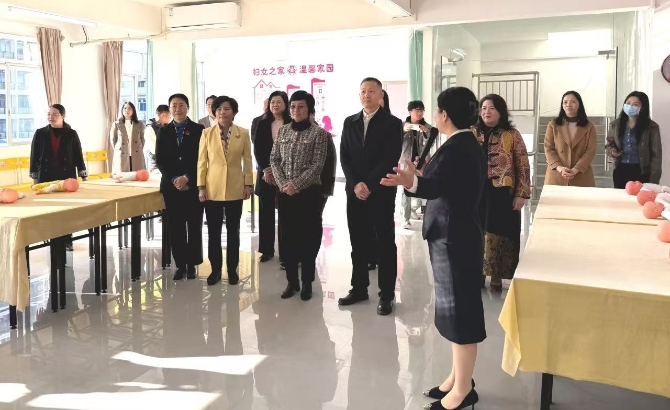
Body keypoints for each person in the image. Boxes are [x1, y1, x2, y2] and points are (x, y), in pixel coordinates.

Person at [381, 86, 485, 410]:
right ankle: (457, 379)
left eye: (438, 110)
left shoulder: (457, 147)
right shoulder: (462, 143)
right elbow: (446, 183)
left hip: (455, 237)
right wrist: (418, 176)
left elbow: (437, 187)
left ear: (445, 115)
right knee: (453, 310)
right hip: (454, 234)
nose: (436, 115)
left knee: (460, 314)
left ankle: (463, 391)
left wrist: (410, 181)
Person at [338, 77, 403, 316]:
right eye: (363, 91)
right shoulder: (350, 122)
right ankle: (359, 288)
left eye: (371, 91)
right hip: (355, 193)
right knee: (358, 241)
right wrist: (356, 184)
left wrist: (370, 184)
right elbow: (344, 156)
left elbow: (390, 157)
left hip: (381, 191)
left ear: (381, 95)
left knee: (385, 243)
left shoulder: (393, 123)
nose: (366, 95)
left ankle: (386, 294)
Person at [271, 91, 329, 301]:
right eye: (293, 106)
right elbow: (274, 159)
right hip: (285, 194)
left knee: (308, 239)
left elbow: (317, 165)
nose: (296, 110)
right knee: (287, 238)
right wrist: (283, 184)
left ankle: (306, 283)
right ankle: (292, 281)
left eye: (301, 106)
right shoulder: (283, 131)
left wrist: (296, 185)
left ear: (309, 109)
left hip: (308, 194)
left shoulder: (319, 134)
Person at [472, 94, 531, 292]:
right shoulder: (472, 133)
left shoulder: (512, 134)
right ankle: (477, 272)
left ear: (500, 112)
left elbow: (523, 165)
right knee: (476, 231)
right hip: (476, 191)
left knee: (500, 231)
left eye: (492, 108)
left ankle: (497, 274)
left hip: (502, 192)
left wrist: (521, 193)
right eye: (483, 108)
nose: (486, 112)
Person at [197, 96, 253, 286]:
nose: (222, 112)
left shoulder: (243, 133)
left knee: (233, 231)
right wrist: (201, 187)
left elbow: (248, 160)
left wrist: (248, 184)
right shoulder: (206, 133)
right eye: (219, 109)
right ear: (214, 112)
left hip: (235, 188)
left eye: (227, 109)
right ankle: (215, 270)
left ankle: (232, 269)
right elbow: (201, 162)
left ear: (234, 112)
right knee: (213, 232)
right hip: (212, 189)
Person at [155, 94, 205, 281]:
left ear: (188, 107)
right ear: (169, 109)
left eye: (181, 105)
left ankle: (192, 264)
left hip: (193, 186)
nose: (177, 109)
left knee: (194, 226)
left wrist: (188, 178)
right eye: (174, 106)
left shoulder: (199, 130)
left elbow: (202, 158)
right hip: (171, 186)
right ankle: (180, 265)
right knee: (175, 227)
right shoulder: (163, 131)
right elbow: (160, 159)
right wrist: (175, 178)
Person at [29, 104, 88, 251]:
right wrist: (34, 177)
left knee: (67, 209)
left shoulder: (71, 133)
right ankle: (52, 239)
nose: (51, 117)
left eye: (55, 114)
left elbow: (78, 154)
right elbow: (34, 156)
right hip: (46, 175)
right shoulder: (40, 133)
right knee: (50, 208)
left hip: (66, 176)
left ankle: (68, 239)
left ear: (63, 116)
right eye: (49, 114)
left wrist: (82, 174)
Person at [254, 91, 291, 264]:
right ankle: (267, 250)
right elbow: (258, 149)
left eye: (279, 102)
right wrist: (266, 170)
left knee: (286, 215)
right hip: (266, 175)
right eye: (272, 102)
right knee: (265, 214)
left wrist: (279, 172)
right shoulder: (261, 123)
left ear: (285, 104)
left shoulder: (291, 123)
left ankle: (286, 253)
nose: (275, 105)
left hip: (286, 175)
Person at [606, 91, 663, 187]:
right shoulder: (615, 125)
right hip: (621, 170)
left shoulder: (651, 127)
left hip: (642, 172)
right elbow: (609, 144)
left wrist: (654, 179)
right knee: (621, 196)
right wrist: (612, 151)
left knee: (640, 196)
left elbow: (656, 155)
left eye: (635, 104)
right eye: (628, 103)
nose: (630, 106)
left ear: (643, 107)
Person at [544, 91, 597, 187]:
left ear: (579, 105)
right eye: (565, 102)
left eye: (573, 102)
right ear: (562, 105)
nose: (568, 104)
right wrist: (560, 168)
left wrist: (575, 170)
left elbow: (590, 151)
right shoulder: (553, 125)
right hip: (557, 175)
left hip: (581, 175)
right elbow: (548, 148)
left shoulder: (589, 126)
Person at [401, 100, 431, 229]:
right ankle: (405, 218)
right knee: (406, 191)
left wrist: (425, 133)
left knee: (421, 188)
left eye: (421, 110)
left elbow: (431, 142)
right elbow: (394, 141)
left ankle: (414, 208)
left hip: (421, 163)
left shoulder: (427, 126)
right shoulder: (402, 125)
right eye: (417, 110)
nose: (420, 113)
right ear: (410, 111)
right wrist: (403, 131)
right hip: (406, 162)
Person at [110, 101, 146, 173]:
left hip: (136, 154)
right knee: (123, 176)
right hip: (122, 154)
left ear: (133, 110)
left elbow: (143, 138)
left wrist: (139, 148)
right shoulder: (116, 124)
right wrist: (119, 149)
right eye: (125, 108)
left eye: (129, 108)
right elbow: (113, 139)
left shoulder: (139, 124)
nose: (127, 110)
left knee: (137, 175)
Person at [145, 104, 170, 171]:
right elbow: (155, 149)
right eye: (169, 117)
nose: (169, 119)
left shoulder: (166, 126)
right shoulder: (150, 128)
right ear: (163, 115)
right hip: (157, 165)